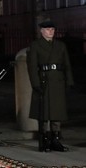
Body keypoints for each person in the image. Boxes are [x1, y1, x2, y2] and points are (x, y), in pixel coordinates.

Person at [27, 20, 74, 153]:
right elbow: (32, 67)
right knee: (44, 114)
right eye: (48, 29)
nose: (51, 32)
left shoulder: (61, 45)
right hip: (44, 81)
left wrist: (69, 81)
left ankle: (56, 141)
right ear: (41, 31)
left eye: (52, 29)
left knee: (57, 114)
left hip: (58, 81)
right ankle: (44, 142)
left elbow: (67, 65)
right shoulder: (36, 45)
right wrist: (35, 84)